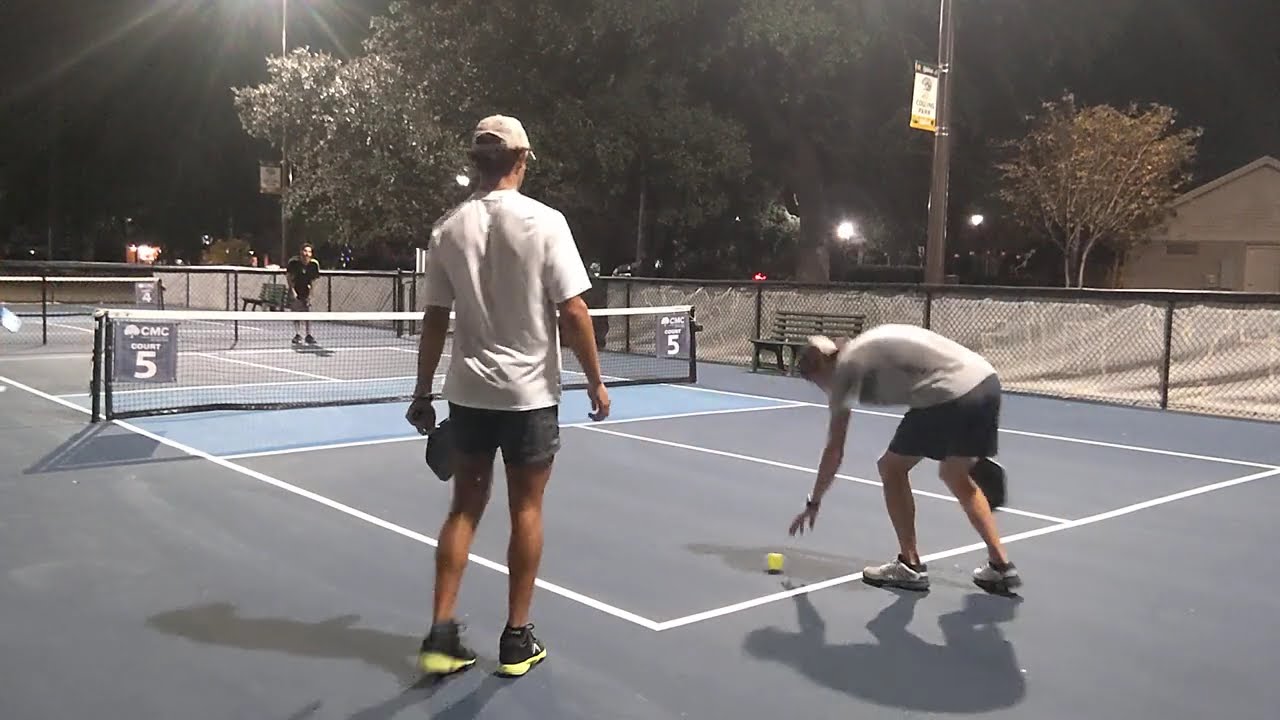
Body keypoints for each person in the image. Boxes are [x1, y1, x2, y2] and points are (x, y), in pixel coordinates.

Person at [404, 114, 610, 678]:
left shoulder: (447, 228)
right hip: (529, 398)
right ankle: (517, 639)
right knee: (527, 509)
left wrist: (422, 393)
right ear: (522, 160)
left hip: (468, 396)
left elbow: (434, 320)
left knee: (463, 509)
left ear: (478, 163)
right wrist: (595, 380)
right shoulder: (547, 223)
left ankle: (441, 635)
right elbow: (573, 310)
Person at [787, 324, 1021, 595]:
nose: (821, 388)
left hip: (948, 394)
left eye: (815, 381)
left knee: (891, 468)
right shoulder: (863, 349)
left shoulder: (845, 373)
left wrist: (813, 502)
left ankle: (909, 565)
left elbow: (834, 451)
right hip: (986, 383)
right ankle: (1001, 566)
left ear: (821, 370)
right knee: (954, 474)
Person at [286, 243, 320, 345]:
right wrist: (292, 291)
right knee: (296, 314)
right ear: (301, 252)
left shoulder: (314, 264)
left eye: (309, 252)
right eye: (305, 251)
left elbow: (314, 281)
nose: (307, 254)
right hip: (296, 289)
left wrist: (311, 295)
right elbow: (288, 276)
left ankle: (308, 335)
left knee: (308, 314)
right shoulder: (293, 262)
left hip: (307, 290)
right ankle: (297, 334)